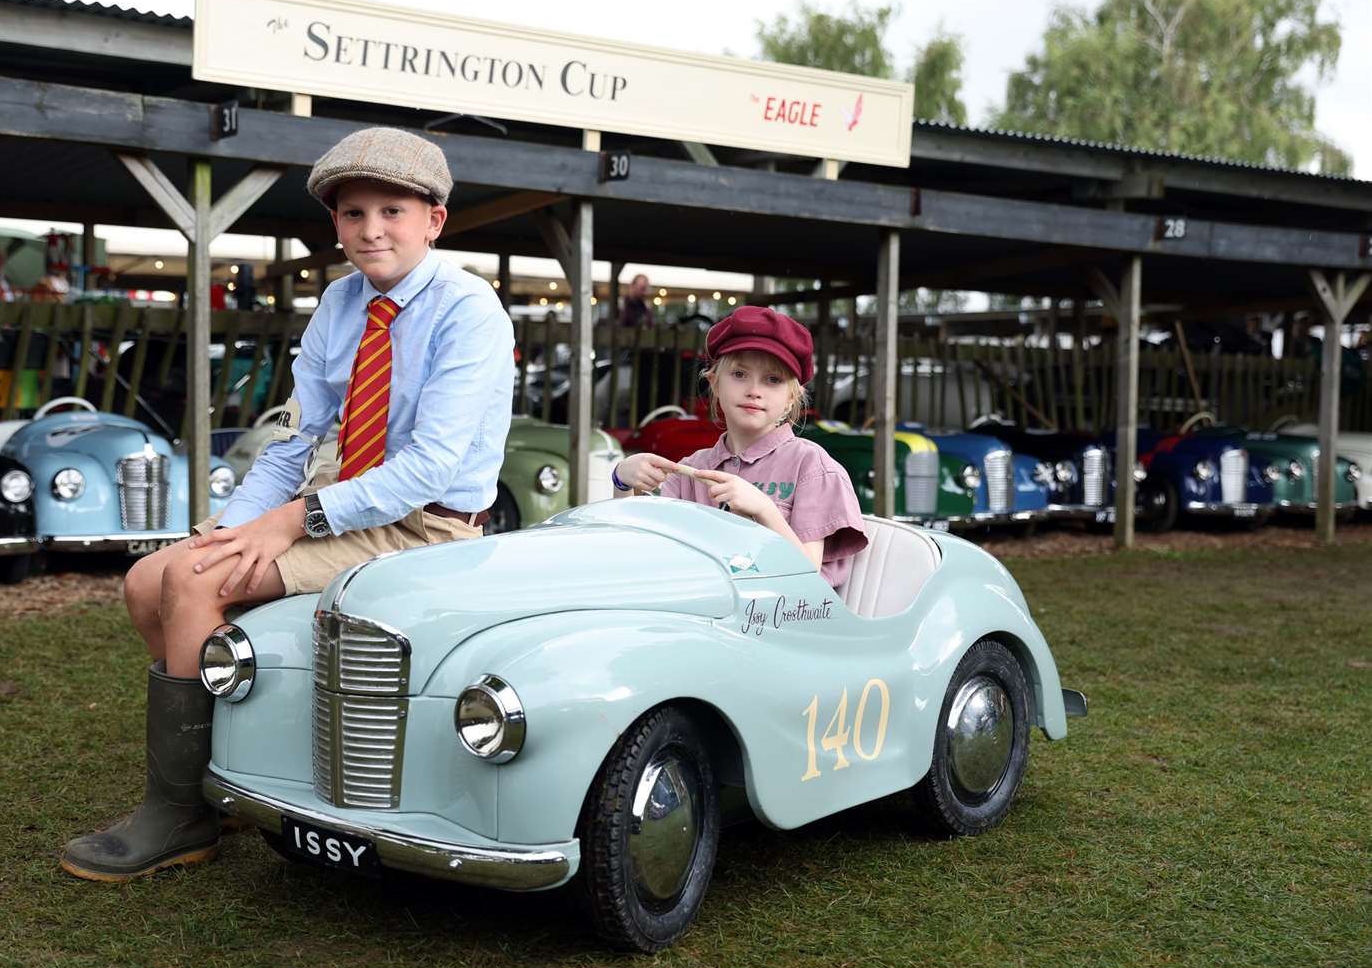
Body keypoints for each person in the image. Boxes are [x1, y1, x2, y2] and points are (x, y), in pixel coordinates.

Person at [60, 127, 516, 882]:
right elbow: (292, 443)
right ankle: (220, 775)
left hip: (424, 522)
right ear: (334, 223)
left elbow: (429, 463)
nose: (370, 230)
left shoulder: (467, 309)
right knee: (152, 577)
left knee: (196, 582)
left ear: (433, 219)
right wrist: (227, 527)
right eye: (352, 213)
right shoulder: (340, 303)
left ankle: (178, 815)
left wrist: (288, 523)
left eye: (392, 211)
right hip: (334, 503)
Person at [611, 306, 867, 586]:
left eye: (773, 379)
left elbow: (806, 575)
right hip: (702, 615)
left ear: (792, 398)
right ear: (715, 384)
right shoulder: (692, 469)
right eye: (740, 374)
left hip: (782, 621)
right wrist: (622, 482)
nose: (754, 390)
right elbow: (644, 553)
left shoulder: (811, 465)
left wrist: (764, 509)